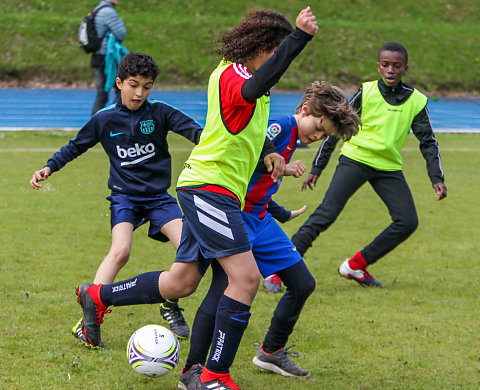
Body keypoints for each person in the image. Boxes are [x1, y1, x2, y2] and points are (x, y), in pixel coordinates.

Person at [74, 7, 318, 389]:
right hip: (209, 190)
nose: (277, 62)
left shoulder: (250, 79)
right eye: (276, 52)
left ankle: (98, 296)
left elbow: (240, 124)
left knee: (183, 281)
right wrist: (299, 40)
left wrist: (270, 148)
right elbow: (249, 92)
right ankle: (212, 376)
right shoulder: (235, 73)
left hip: (216, 192)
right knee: (246, 278)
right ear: (260, 47)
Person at [177, 81, 360, 389]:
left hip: (261, 220)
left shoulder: (294, 139)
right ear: (303, 110)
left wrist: (279, 211)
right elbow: (242, 164)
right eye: (318, 127)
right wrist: (282, 168)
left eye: (325, 135)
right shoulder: (278, 128)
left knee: (302, 284)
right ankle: (194, 369)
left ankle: (270, 352)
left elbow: (262, 186)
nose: (317, 137)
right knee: (222, 290)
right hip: (236, 217)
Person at [29, 52, 202, 345]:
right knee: (120, 251)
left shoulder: (160, 112)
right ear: (119, 83)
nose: (139, 93)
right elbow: (75, 146)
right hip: (125, 198)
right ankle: (90, 318)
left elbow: (198, 133)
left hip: (159, 198)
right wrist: (49, 166)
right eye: (133, 85)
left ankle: (169, 303)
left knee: (188, 248)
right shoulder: (104, 119)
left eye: (147, 86)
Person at [291, 42, 447, 287]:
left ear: (405, 69)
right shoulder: (367, 91)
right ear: (378, 66)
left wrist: (436, 178)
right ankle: (281, 268)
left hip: (388, 167)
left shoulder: (416, 101)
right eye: (385, 64)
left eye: (397, 66)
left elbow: (428, 142)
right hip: (355, 159)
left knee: (407, 222)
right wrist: (317, 169)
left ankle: (355, 266)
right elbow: (336, 127)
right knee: (326, 214)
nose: (390, 70)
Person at [90, 0, 127, 115]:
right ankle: (113, 118)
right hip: (108, 58)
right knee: (120, 89)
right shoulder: (108, 12)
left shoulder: (97, 9)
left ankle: (95, 124)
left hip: (98, 55)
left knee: (102, 93)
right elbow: (121, 33)